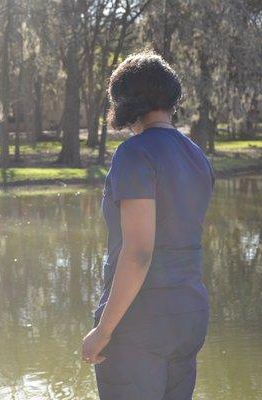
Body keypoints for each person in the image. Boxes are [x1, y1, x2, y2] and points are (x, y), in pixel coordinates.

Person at [82, 51, 214, 400]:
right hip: (189, 313)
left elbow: (139, 251)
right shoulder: (197, 156)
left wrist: (103, 330)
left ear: (125, 102)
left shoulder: (135, 153)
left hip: (139, 320)